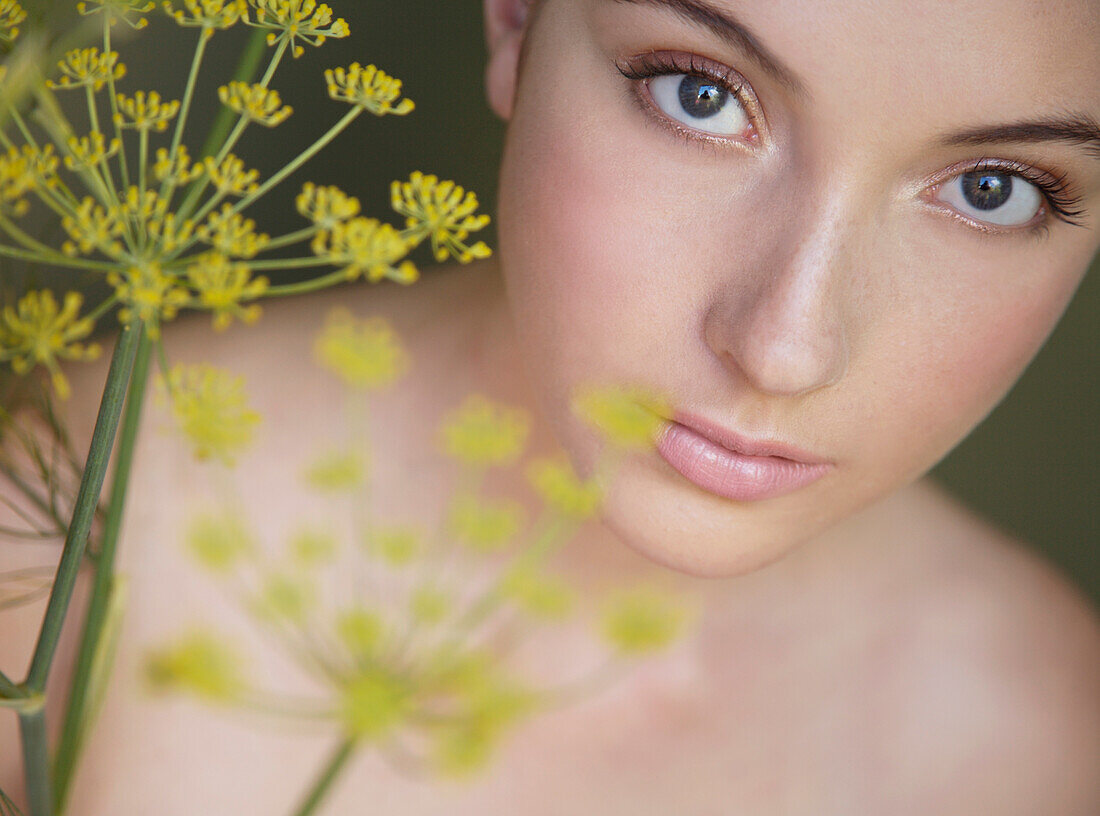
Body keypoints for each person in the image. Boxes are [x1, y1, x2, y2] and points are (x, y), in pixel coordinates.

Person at [2, 0, 1099, 812]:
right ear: (515, 21)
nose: (783, 347)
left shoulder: (1033, 734)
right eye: (700, 93)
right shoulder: (77, 522)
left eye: (989, 189)